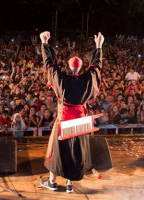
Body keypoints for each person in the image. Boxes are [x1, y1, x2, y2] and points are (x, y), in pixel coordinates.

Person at [39, 31, 104, 193]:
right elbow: (96, 67)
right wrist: (99, 46)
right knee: (75, 152)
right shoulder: (87, 80)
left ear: (67, 67)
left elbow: (50, 64)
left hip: (64, 121)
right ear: (82, 68)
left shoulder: (62, 80)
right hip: (81, 122)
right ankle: (69, 184)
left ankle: (52, 182)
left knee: (57, 151)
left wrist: (45, 43)